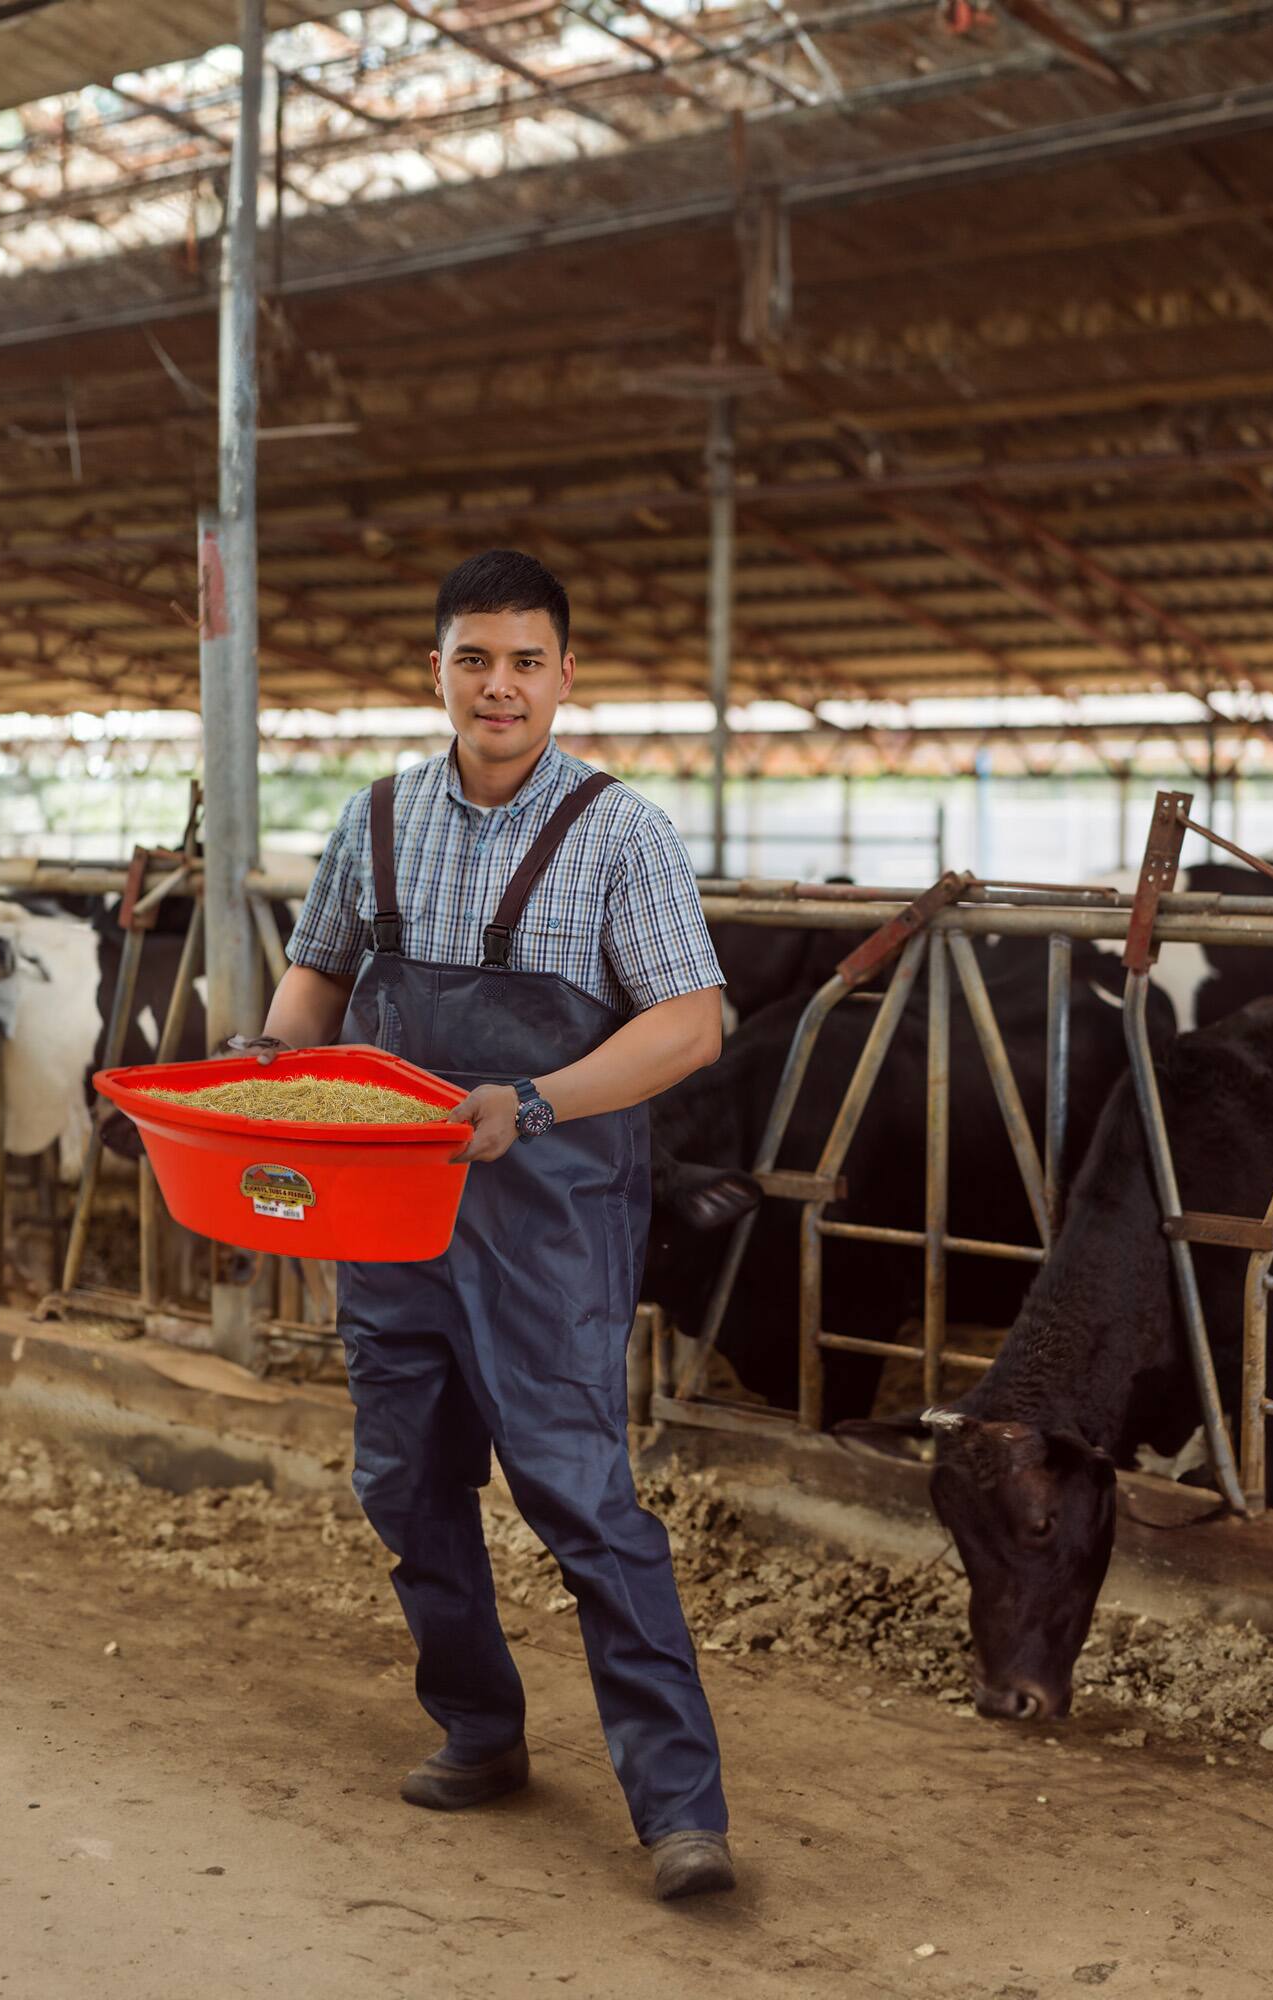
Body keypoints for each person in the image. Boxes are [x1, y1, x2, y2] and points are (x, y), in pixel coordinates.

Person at [242, 549, 734, 1902]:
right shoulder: (380, 820)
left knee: (579, 1491)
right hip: (394, 1214)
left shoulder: (619, 833)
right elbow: (320, 974)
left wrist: (534, 1097)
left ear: (565, 676)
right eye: (475, 659)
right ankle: (479, 1727)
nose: (499, 685)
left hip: (546, 1218)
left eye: (525, 660)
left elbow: (691, 1023)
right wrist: (269, 1070)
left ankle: (679, 1806)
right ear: (439, 672)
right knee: (404, 1481)